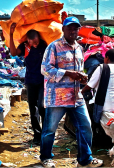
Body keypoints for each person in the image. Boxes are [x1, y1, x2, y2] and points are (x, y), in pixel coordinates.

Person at [40, 17, 103, 168]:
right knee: (50, 129)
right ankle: (46, 157)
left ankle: (84, 160)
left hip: (76, 96)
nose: (73, 31)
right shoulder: (54, 47)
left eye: (75, 28)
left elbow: (79, 71)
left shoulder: (79, 48)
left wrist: (83, 78)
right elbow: (45, 69)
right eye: (70, 28)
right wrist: (68, 73)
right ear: (63, 29)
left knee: (85, 127)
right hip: (57, 97)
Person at [9, 23, 47, 145]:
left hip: (43, 81)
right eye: (32, 42)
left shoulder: (45, 45)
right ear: (28, 41)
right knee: (33, 108)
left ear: (39, 38)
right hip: (30, 80)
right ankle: (37, 134)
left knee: (42, 106)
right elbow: (14, 53)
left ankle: (46, 133)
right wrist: (10, 34)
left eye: (36, 42)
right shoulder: (25, 46)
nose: (35, 44)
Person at [81, 49, 114, 123]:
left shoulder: (102, 68)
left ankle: (89, 128)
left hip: (103, 105)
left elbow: (89, 87)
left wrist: (79, 93)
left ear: (107, 58)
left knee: (81, 105)